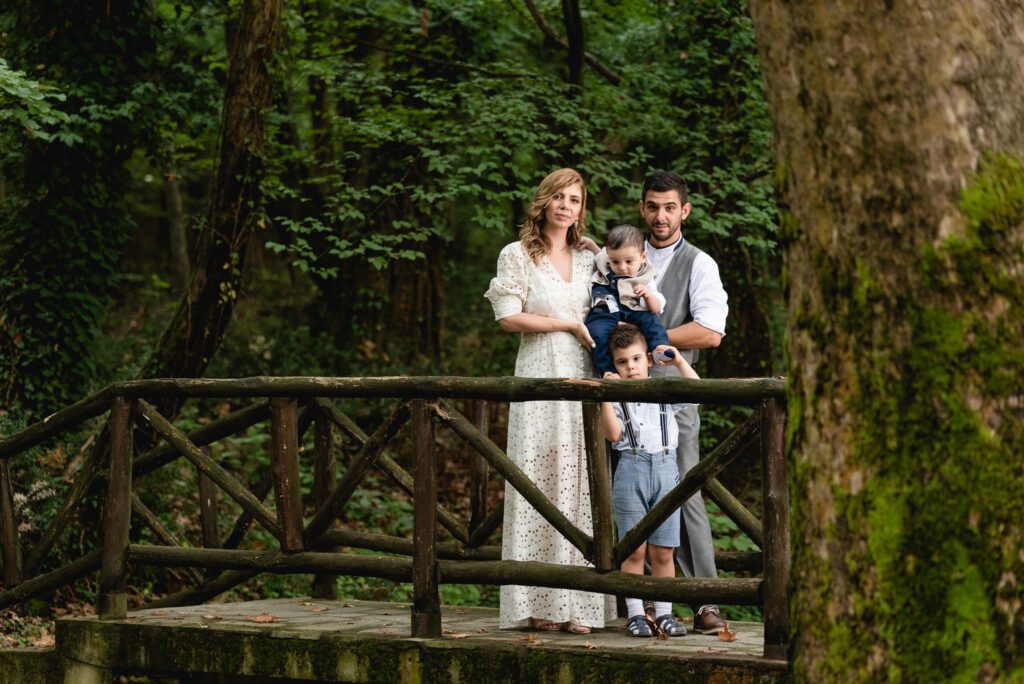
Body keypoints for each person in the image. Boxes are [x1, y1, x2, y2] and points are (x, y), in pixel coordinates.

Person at [483, 168, 616, 634]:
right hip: (539, 374)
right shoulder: (517, 254)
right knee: (538, 479)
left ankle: (577, 606)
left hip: (583, 374)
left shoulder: (586, 259)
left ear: (582, 209)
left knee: (579, 480)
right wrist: (564, 324)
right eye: (559, 197)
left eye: (575, 200)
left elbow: (630, 284)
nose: (566, 206)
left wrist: (600, 250)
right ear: (544, 202)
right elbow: (508, 318)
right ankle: (537, 602)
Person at [639, 170, 728, 634]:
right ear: (642, 209)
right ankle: (641, 604)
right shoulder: (622, 256)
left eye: (669, 207)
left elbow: (709, 332)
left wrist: (646, 340)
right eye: (653, 206)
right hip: (625, 400)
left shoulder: (700, 264)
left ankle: (703, 602)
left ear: (684, 211)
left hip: (676, 397)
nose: (661, 215)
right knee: (629, 497)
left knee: (684, 493)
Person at [600, 324, 694, 638]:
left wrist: (679, 362)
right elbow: (613, 435)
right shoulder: (616, 397)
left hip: (667, 470)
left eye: (636, 359)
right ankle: (637, 615)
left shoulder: (664, 391)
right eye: (622, 362)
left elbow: (695, 392)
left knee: (664, 550)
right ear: (614, 367)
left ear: (648, 361)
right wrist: (605, 395)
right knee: (634, 550)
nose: (630, 368)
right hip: (631, 471)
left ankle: (665, 614)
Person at [581, 224, 671, 375]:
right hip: (604, 311)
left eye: (629, 261)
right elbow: (598, 254)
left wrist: (647, 295)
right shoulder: (605, 260)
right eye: (615, 262)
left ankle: (659, 349)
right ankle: (608, 371)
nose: (622, 267)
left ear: (643, 257)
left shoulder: (645, 276)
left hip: (633, 310)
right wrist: (590, 244)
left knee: (652, 323)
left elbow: (656, 307)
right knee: (598, 334)